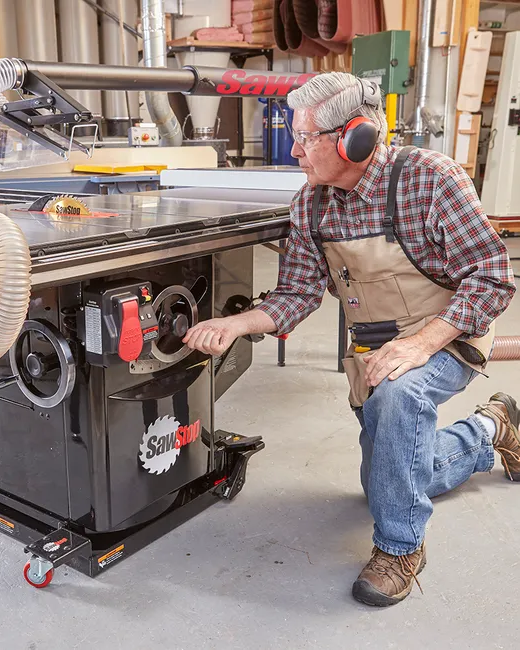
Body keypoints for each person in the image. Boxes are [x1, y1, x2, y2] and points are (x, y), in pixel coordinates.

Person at [182, 71, 517, 607]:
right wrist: (236, 325)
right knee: (393, 476)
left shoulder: (430, 179)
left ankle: (401, 548)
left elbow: (492, 276)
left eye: (303, 138)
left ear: (354, 138)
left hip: (448, 334)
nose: (292, 151)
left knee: (399, 397)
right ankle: (490, 427)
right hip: (376, 347)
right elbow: (297, 293)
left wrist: (421, 344)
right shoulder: (312, 204)